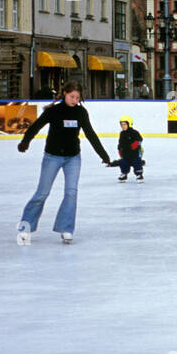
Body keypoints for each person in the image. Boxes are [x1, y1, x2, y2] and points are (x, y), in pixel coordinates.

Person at [17, 80, 111, 244]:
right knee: (42, 193)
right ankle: (26, 228)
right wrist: (26, 141)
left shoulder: (81, 113)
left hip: (73, 157)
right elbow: (36, 126)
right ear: (65, 94)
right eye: (72, 96)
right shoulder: (54, 111)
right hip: (52, 156)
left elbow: (90, 134)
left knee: (71, 192)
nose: (74, 100)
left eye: (77, 97)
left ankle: (66, 229)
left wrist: (103, 155)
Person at [115, 115, 146, 182]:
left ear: (129, 124)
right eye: (122, 124)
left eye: (125, 124)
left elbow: (140, 139)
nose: (123, 126)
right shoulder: (122, 133)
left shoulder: (134, 132)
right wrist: (120, 148)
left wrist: (135, 144)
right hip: (125, 153)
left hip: (134, 153)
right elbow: (120, 142)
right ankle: (124, 174)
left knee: (136, 163)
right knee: (123, 163)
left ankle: (139, 174)